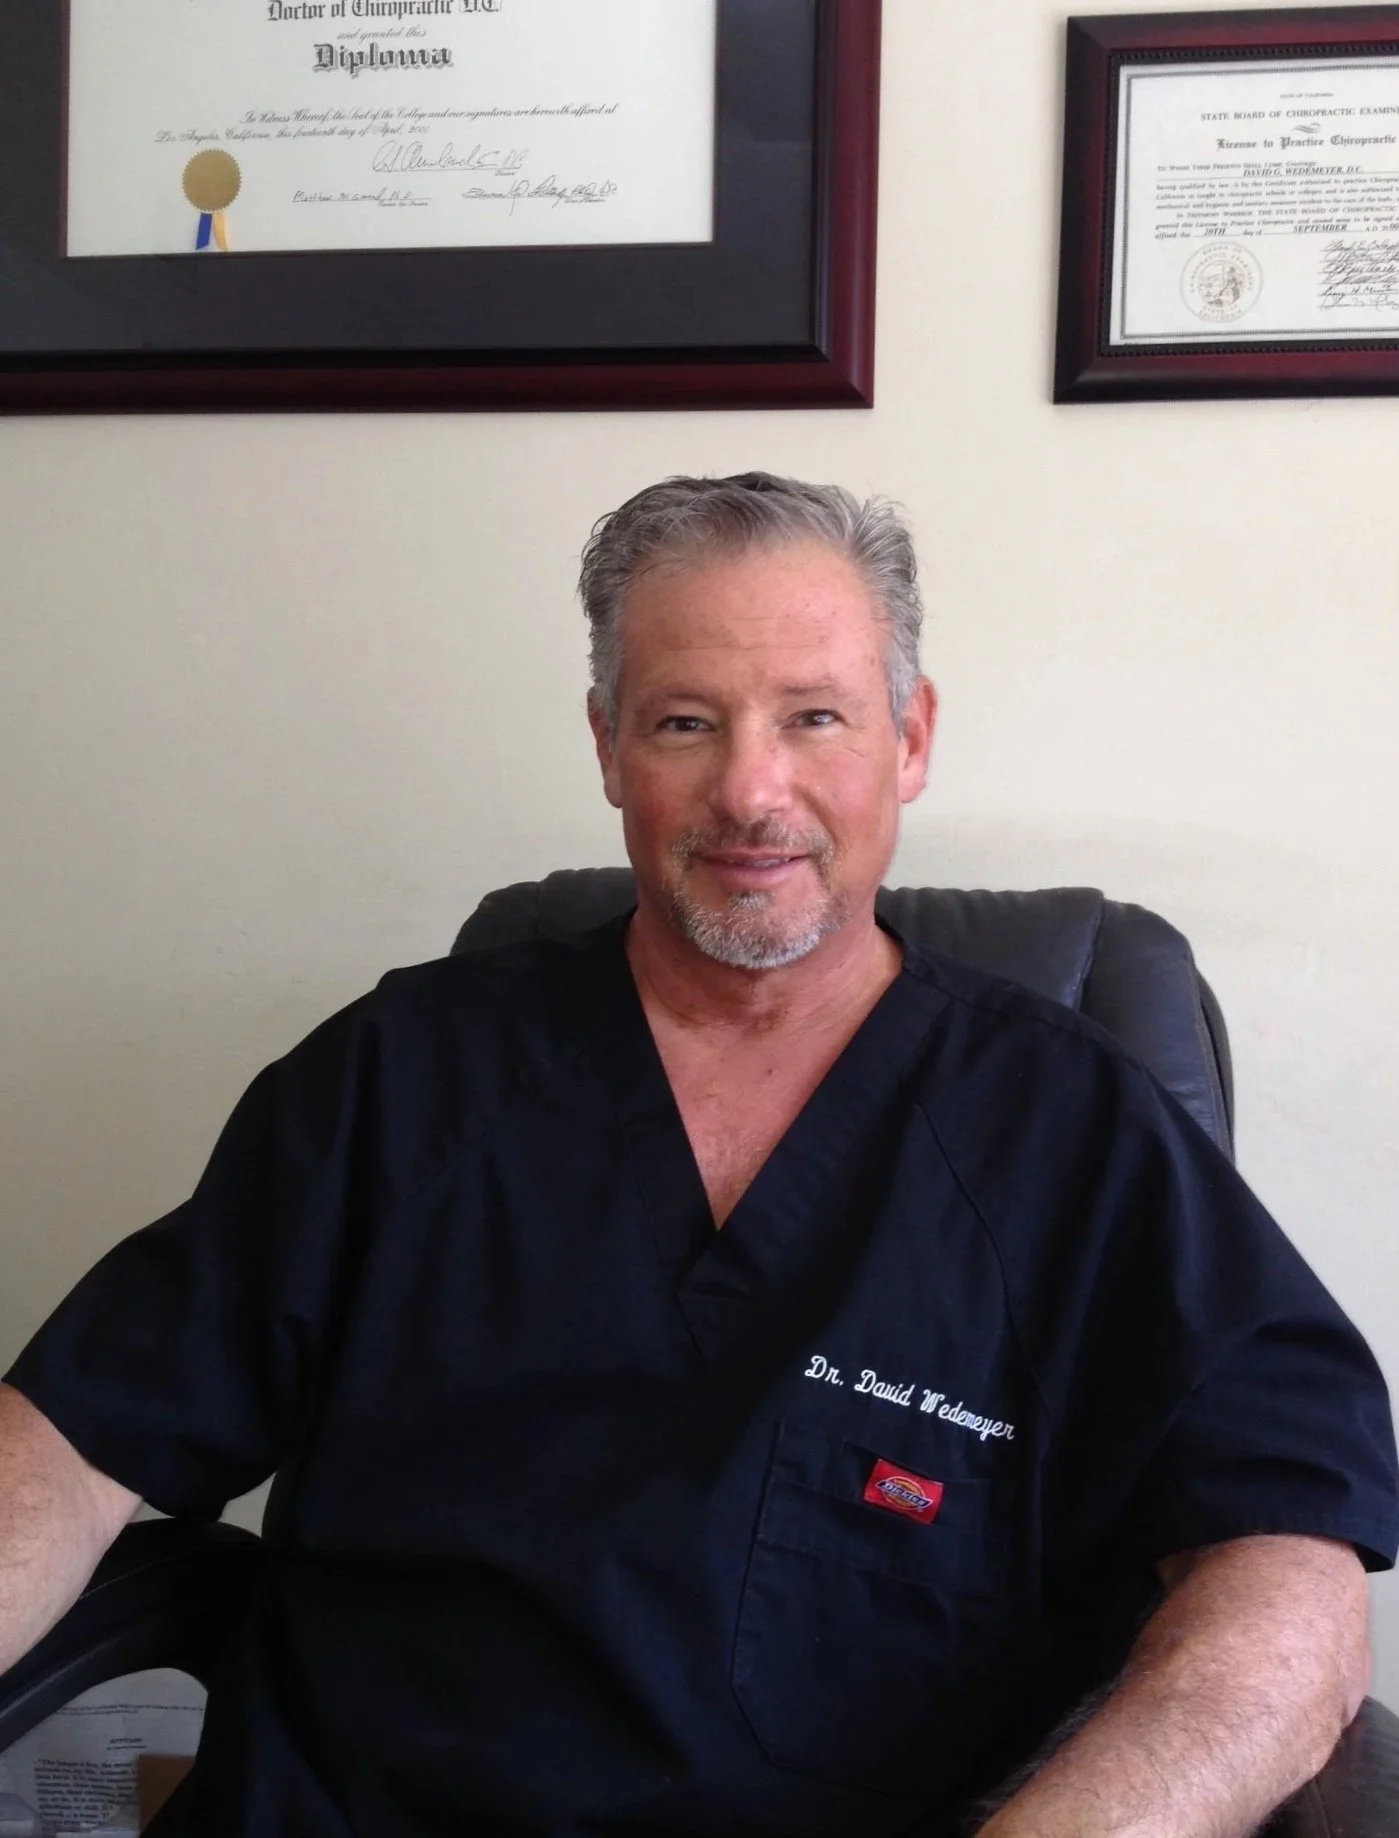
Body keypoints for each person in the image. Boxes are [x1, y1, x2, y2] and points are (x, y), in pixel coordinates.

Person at [1, 472, 1396, 1838]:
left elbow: (1287, 1571)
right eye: (683, 721)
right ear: (607, 744)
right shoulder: (402, 1076)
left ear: (907, 739)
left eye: (814, 717)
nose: (750, 790)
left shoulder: (1072, 1135)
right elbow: (69, 1442)